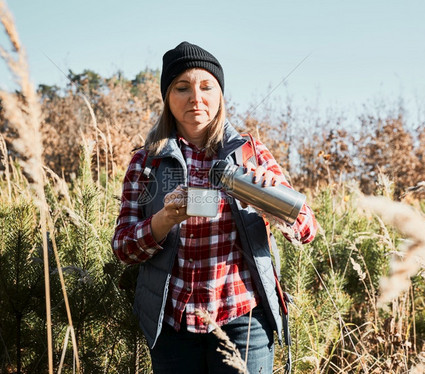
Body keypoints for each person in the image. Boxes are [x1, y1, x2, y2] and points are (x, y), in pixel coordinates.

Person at [112, 41, 317, 374]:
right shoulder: (146, 162)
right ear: (167, 97)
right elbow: (122, 247)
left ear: (220, 94)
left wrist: (270, 199)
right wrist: (163, 220)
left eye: (207, 86)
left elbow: (307, 229)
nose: (196, 97)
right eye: (182, 87)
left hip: (243, 319)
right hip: (173, 326)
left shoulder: (249, 152)